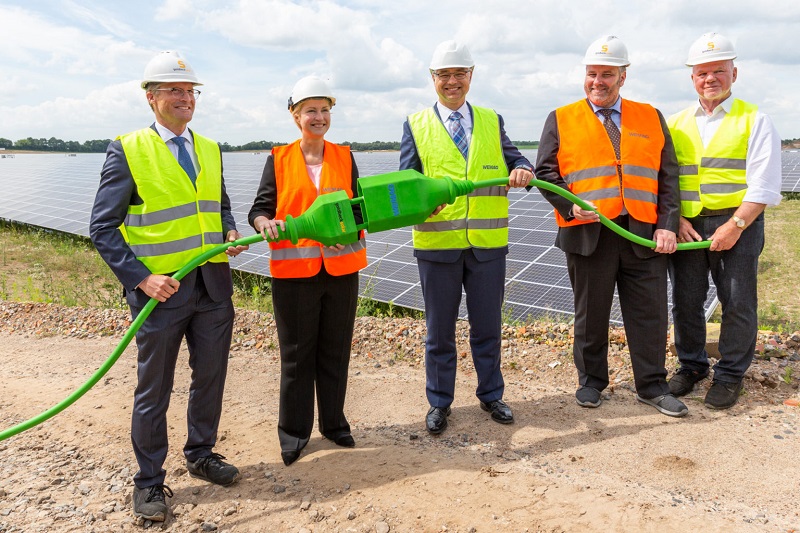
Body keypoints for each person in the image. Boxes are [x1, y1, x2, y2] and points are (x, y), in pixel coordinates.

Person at [89, 51, 247, 522]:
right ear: (151, 97)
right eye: (174, 90)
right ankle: (150, 483)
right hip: (162, 295)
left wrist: (232, 231)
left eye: (189, 91)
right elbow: (102, 228)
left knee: (210, 378)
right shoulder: (128, 149)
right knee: (154, 389)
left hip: (213, 287)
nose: (185, 98)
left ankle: (200, 454)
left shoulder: (212, 148)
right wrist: (141, 277)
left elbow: (219, 209)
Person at [534, 35, 688, 417]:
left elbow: (668, 177)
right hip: (588, 235)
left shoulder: (650, 116)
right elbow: (546, 173)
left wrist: (667, 225)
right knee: (591, 313)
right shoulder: (561, 118)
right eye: (591, 74)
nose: (597, 82)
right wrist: (570, 208)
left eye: (606, 74)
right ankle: (591, 382)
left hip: (643, 234)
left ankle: (652, 386)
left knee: (650, 314)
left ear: (623, 76)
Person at [399, 40, 534, 435]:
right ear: (433, 79)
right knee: (439, 332)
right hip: (438, 248)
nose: (452, 82)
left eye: (459, 74)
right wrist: (422, 204)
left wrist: (523, 169)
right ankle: (439, 403)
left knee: (487, 327)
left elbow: (516, 159)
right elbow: (407, 184)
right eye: (444, 75)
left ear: (471, 76)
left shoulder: (492, 120)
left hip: (488, 247)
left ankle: (491, 395)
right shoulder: (416, 124)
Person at [249, 76, 366, 466]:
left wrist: (345, 230)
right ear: (295, 115)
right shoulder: (278, 159)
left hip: (341, 270)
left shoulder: (345, 157)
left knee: (335, 351)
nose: (319, 117)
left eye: (325, 110)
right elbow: (260, 209)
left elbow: (361, 210)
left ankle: (333, 424)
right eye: (311, 111)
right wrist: (263, 222)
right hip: (294, 276)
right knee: (298, 357)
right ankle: (294, 433)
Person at [666, 33, 782, 409]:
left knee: (738, 301)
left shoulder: (755, 120)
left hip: (738, 223)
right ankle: (692, 366)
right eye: (702, 72)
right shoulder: (676, 123)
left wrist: (736, 226)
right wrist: (678, 217)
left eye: (719, 71)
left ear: (734, 73)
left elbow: (764, 184)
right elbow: (666, 178)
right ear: (692, 78)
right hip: (688, 225)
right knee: (685, 301)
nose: (710, 78)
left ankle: (730, 375)